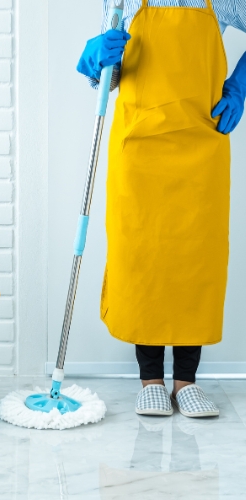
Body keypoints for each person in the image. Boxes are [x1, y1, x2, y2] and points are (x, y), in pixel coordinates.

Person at [77, 0, 246, 418]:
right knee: (143, 258)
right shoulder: (124, 1)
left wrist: (239, 85)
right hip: (139, 147)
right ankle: (151, 380)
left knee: (195, 259)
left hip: (200, 144)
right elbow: (107, 80)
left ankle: (186, 382)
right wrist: (95, 58)